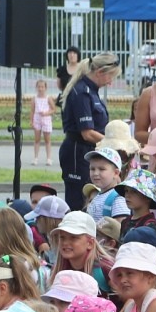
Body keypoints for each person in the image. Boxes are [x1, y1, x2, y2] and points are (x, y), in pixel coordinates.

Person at [59, 52, 121, 211]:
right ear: (100, 72)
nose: (111, 82)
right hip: (77, 151)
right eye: (110, 77)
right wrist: (115, 145)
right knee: (79, 201)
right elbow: (87, 132)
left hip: (89, 150)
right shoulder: (82, 92)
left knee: (93, 198)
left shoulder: (90, 91)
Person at [31, 78, 56, 167]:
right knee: (37, 139)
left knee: (47, 140)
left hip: (46, 119)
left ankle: (49, 158)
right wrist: (31, 121)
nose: (40, 89)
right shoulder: (34, 98)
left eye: (42, 87)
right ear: (36, 87)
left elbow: (53, 109)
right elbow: (32, 110)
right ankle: (35, 158)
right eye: (39, 87)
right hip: (37, 119)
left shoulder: (48, 98)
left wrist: (46, 113)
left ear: (45, 88)